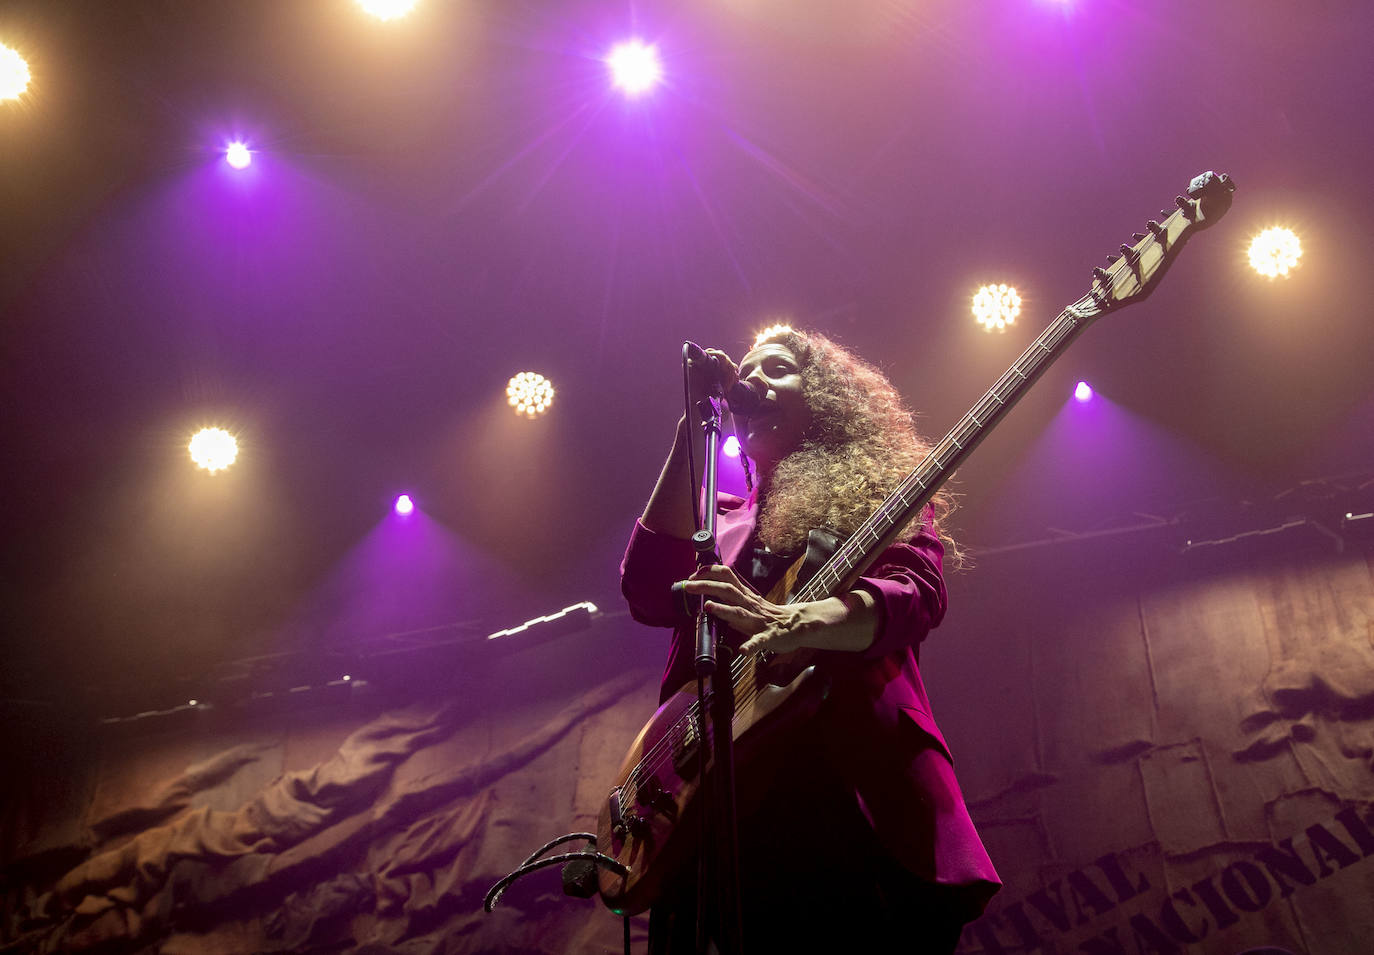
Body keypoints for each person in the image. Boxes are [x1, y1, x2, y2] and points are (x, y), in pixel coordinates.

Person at [619, 326, 1001, 954]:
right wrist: (693, 424)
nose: (756, 381)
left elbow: (915, 594)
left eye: (777, 368)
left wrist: (796, 623)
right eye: (748, 372)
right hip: (709, 812)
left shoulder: (879, 491)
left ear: (823, 397)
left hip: (841, 792)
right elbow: (645, 590)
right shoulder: (718, 520)